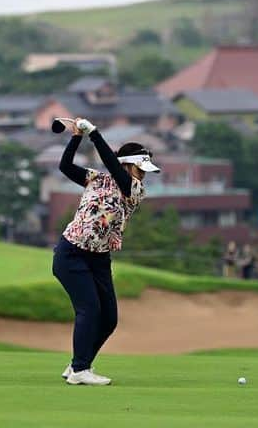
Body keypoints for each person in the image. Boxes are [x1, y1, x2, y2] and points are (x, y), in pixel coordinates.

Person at [54, 116, 159, 386]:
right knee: (89, 308)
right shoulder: (96, 180)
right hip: (72, 253)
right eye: (140, 167)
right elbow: (64, 166)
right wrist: (78, 136)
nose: (144, 173)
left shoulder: (135, 189)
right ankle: (80, 369)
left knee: (109, 318)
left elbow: (114, 168)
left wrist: (95, 134)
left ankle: (79, 363)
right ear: (129, 164)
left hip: (99, 258)